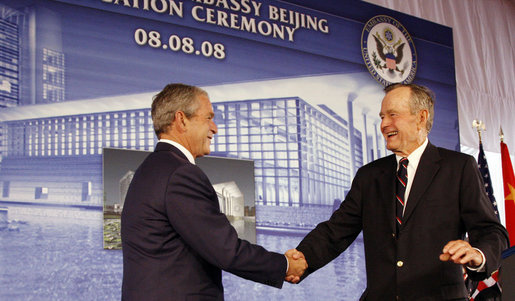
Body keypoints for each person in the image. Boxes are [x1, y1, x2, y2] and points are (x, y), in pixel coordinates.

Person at [288, 83, 509, 300]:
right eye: (382, 116)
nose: (384, 124)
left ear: (421, 118)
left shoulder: (459, 167)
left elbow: (491, 231)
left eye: (392, 115)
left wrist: (478, 255)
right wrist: (302, 259)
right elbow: (336, 231)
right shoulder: (369, 175)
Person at [121, 83, 307, 300]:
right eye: (208, 117)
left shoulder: (149, 170)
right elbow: (226, 251)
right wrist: (285, 265)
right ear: (181, 120)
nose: (215, 128)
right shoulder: (181, 174)